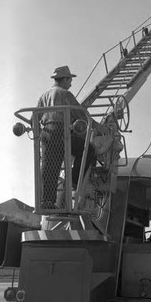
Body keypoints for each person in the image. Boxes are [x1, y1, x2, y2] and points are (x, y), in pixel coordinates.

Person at [37, 65, 97, 209]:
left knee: (50, 167)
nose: (71, 83)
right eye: (70, 79)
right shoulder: (65, 94)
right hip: (61, 132)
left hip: (46, 134)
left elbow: (37, 117)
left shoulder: (44, 95)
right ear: (64, 79)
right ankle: (74, 181)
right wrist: (98, 127)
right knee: (88, 149)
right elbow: (81, 115)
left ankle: (48, 201)